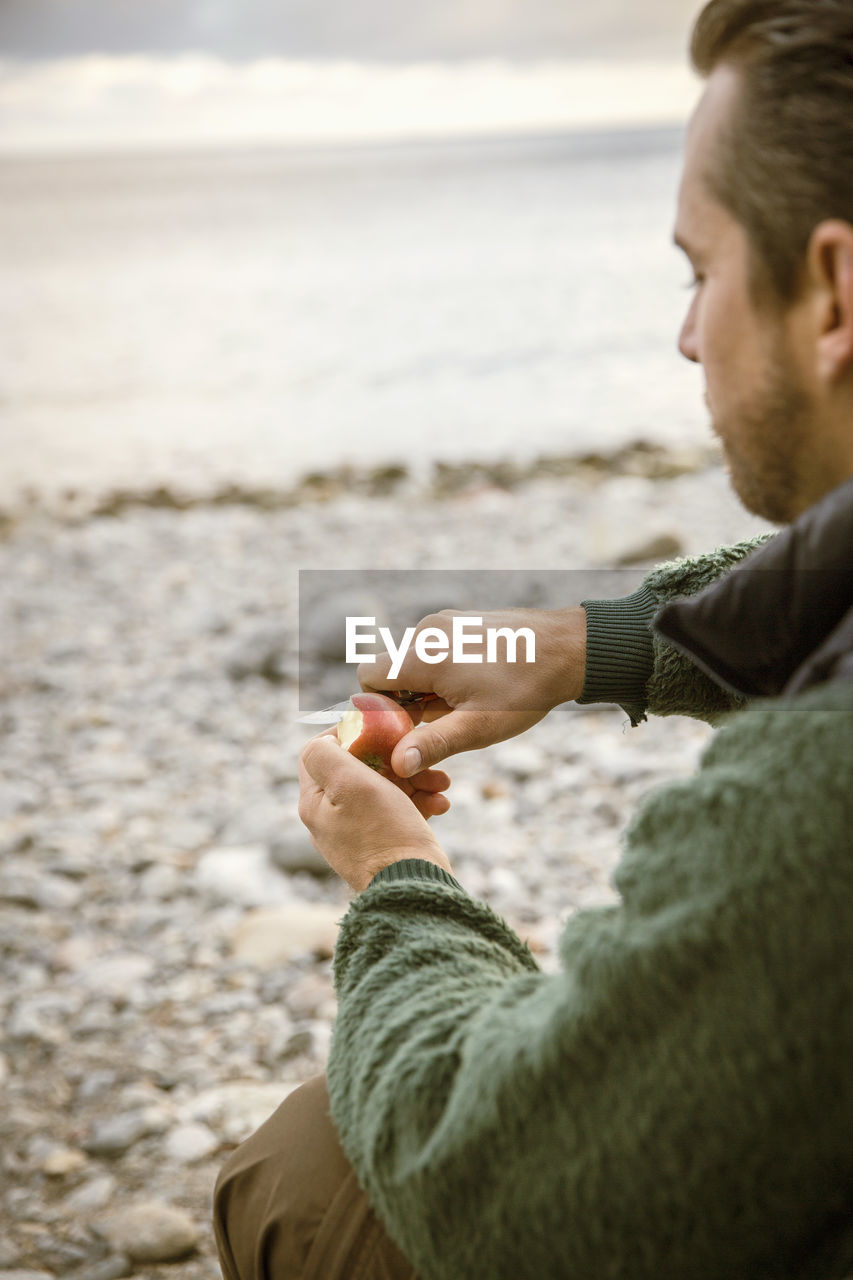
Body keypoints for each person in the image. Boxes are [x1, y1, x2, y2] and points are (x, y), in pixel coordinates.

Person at [213, 1, 853, 1275]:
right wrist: (589, 643)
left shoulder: (816, 798)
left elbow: (494, 1179)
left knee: (297, 1168)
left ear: (831, 290)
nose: (685, 333)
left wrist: (400, 880)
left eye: (699, 269)